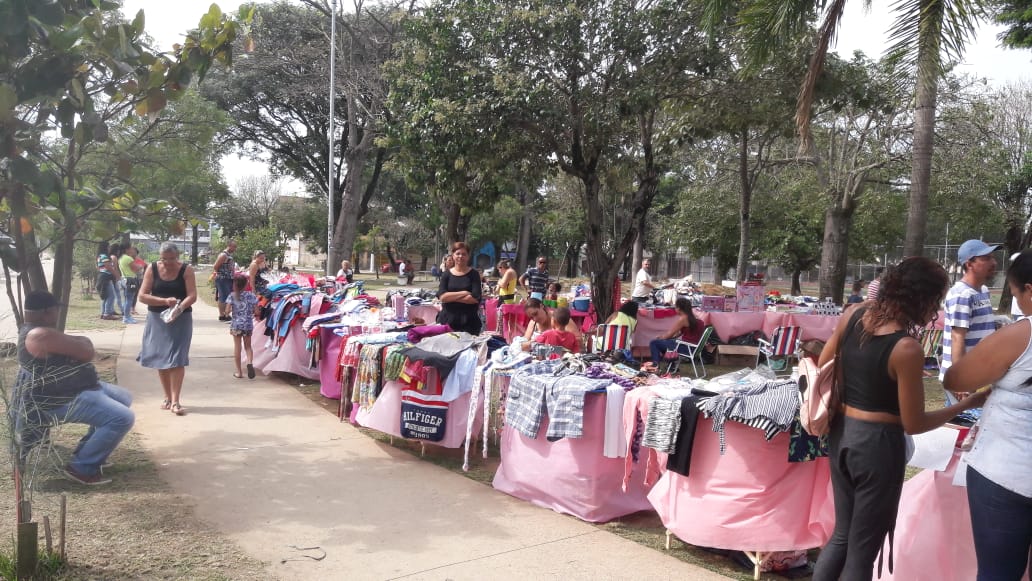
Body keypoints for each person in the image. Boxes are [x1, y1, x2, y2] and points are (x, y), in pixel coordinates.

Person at [811, 257, 988, 581]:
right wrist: (967, 404)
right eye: (936, 300)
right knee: (862, 552)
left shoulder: (853, 315)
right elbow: (914, 423)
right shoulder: (906, 348)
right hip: (876, 446)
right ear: (923, 299)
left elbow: (824, 365)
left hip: (840, 435)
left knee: (841, 535)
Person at [944, 249, 1032, 581]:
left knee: (998, 573)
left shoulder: (1020, 334)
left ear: (1031, 289)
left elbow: (956, 379)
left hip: (1007, 470)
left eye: (1016, 293)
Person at [16, 290, 135, 485]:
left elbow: (82, 345)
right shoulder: (39, 334)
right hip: (58, 400)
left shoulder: (39, 330)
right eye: (56, 310)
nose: (57, 314)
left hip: (72, 389)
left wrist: (77, 346)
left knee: (123, 398)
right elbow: (87, 351)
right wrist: (77, 347)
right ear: (46, 312)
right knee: (122, 417)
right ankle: (82, 468)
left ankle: (88, 450)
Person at [138, 242, 197, 416]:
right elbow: (142, 296)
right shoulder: (152, 268)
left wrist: (178, 309)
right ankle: (167, 397)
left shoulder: (186, 270)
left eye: (172, 259)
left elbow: (192, 295)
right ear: (160, 257)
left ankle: (176, 401)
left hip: (181, 319)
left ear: (177, 256)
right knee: (161, 358)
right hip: (157, 319)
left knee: (178, 359)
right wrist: (164, 302)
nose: (168, 263)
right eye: (164, 259)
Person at [939, 239, 1000, 404]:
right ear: (969, 264)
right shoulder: (961, 295)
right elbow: (957, 338)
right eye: (986, 258)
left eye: (992, 257)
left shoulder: (983, 291)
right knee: (962, 424)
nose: (993, 262)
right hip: (963, 376)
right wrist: (959, 381)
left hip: (978, 373)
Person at [437, 241, 482, 335]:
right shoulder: (446, 274)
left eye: (464, 254)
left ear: (468, 256)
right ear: (453, 255)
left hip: (469, 323)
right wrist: (465, 293)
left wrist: (450, 298)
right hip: (447, 321)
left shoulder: (474, 274)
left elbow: (475, 298)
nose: (460, 256)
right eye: (458, 253)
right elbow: (442, 297)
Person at [646, 297, 705, 369]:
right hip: (694, 348)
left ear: (679, 308)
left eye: (675, 307)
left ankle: (655, 366)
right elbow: (678, 333)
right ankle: (671, 366)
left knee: (654, 343)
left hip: (686, 348)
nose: (675, 309)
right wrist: (665, 338)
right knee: (664, 343)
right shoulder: (695, 317)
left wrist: (660, 337)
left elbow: (669, 334)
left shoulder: (683, 318)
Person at [228, 275, 259, 379]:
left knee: (237, 347)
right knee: (248, 347)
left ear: (234, 285)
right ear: (246, 284)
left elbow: (227, 311)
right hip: (248, 324)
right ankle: (249, 362)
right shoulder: (251, 296)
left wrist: (229, 311)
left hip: (236, 325)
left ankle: (239, 372)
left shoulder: (232, 296)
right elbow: (257, 311)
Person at [210, 239, 237, 322]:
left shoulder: (228, 255)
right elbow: (215, 266)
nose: (235, 249)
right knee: (223, 297)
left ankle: (225, 314)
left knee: (226, 296)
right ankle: (223, 315)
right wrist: (221, 273)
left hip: (228, 278)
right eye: (234, 247)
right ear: (229, 246)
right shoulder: (223, 255)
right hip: (223, 279)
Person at [119, 245, 144, 320]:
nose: (133, 250)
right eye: (131, 249)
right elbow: (136, 268)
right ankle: (127, 317)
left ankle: (125, 316)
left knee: (126, 299)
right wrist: (140, 266)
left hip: (124, 279)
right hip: (130, 280)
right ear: (127, 249)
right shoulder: (128, 258)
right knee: (130, 299)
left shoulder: (121, 257)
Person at [96, 242, 118, 320]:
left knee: (105, 296)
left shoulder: (99, 256)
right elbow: (108, 267)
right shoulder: (104, 256)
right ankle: (107, 313)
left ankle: (104, 313)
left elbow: (98, 268)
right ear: (105, 247)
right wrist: (116, 274)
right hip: (106, 278)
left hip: (102, 276)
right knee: (111, 296)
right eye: (108, 247)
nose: (109, 249)